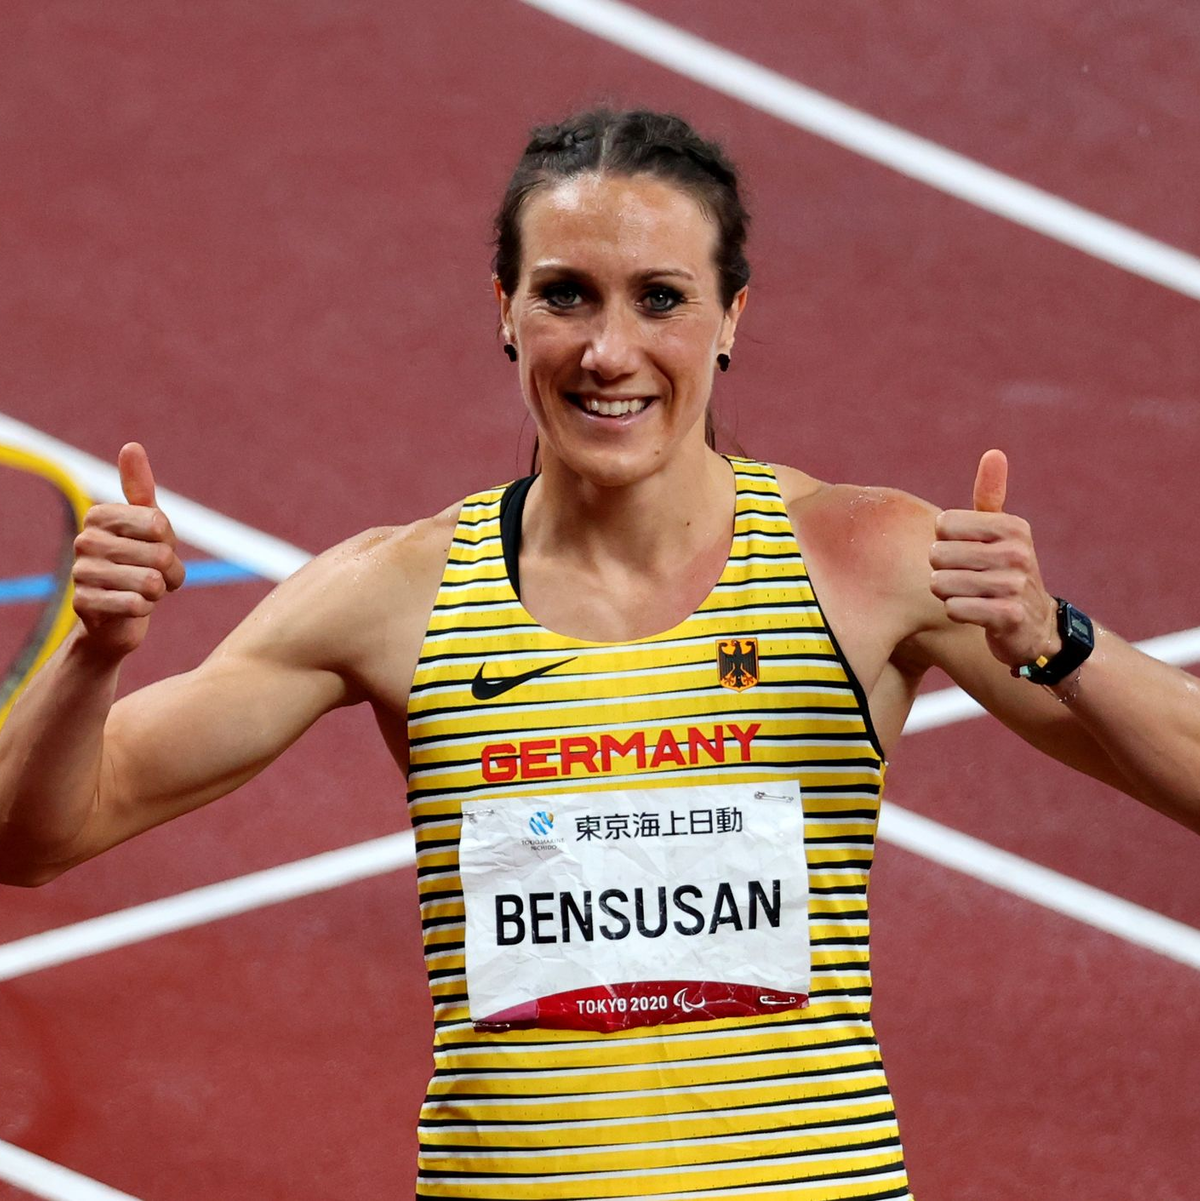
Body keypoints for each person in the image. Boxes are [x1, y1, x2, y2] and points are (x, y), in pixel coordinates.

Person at [1, 107, 1197, 1200]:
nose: (608, 352)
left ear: (733, 315)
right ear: (504, 310)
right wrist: (94, 656)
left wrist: (1058, 642)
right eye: (566, 294)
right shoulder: (395, 594)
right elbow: (37, 837)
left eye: (660, 299)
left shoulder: (867, 560)